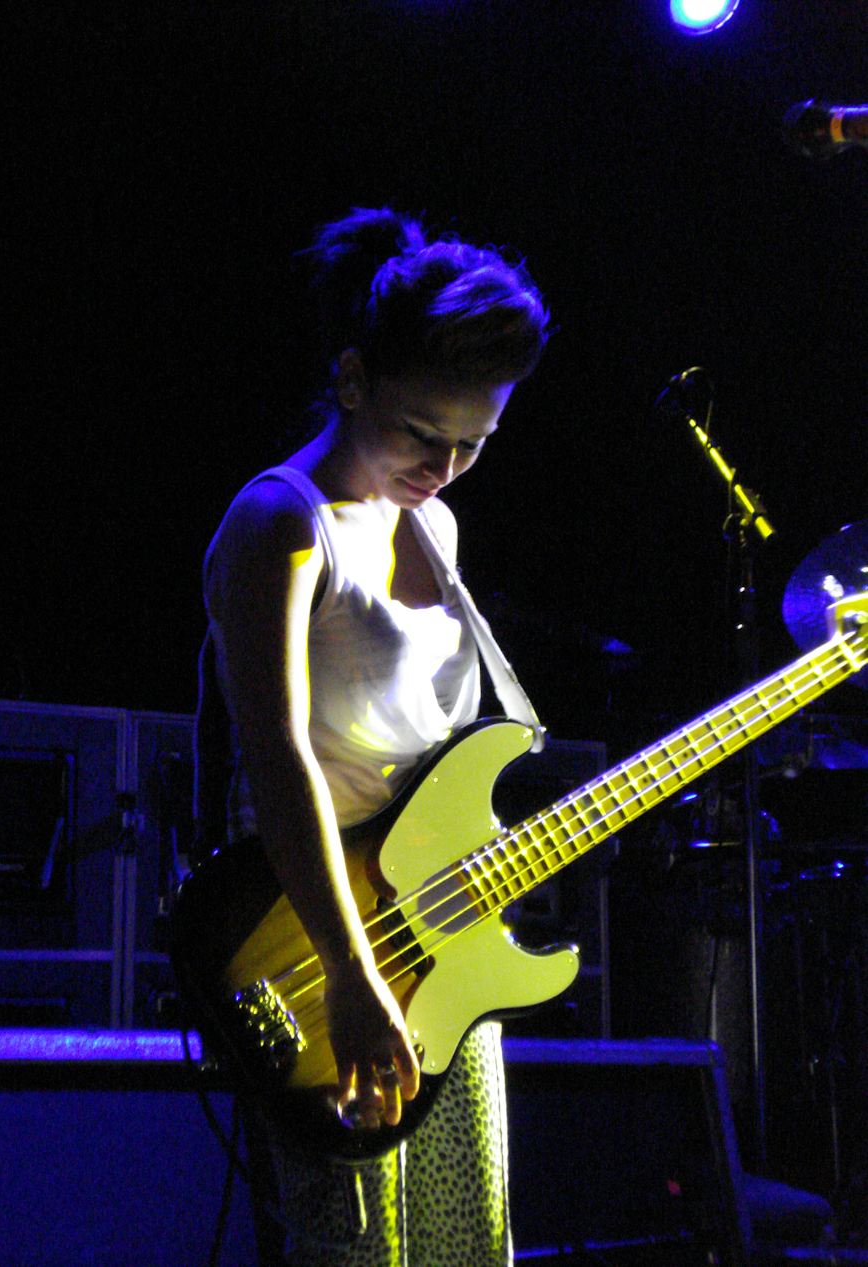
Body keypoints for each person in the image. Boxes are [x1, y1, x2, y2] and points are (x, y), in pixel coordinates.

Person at [193, 207, 550, 1266]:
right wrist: (350, 974)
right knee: (354, 1250)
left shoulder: (433, 524)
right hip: (323, 950)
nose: (444, 465)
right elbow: (279, 760)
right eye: (421, 433)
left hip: (439, 939)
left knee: (468, 1244)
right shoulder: (281, 522)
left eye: (473, 443)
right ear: (351, 380)